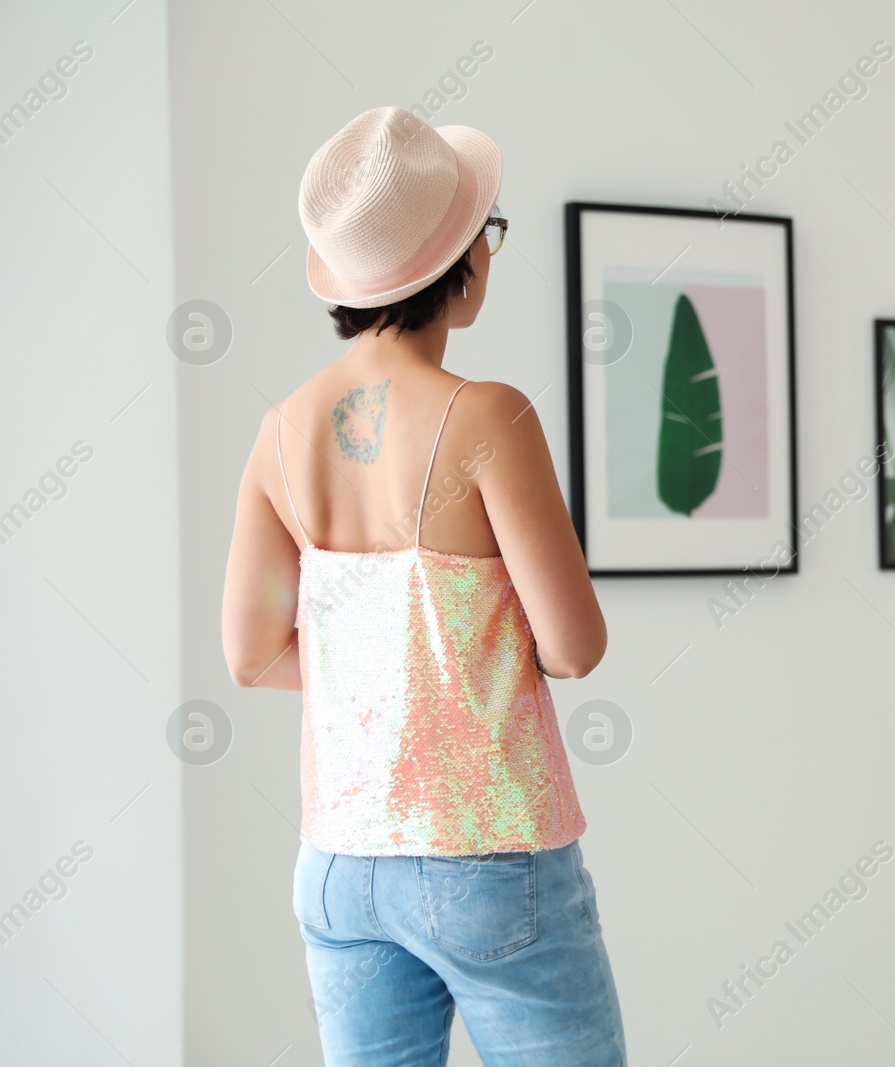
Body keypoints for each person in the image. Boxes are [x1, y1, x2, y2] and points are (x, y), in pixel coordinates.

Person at [220, 106, 625, 1066]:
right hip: (486, 852)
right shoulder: (487, 416)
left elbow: (252, 655)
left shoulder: (280, 430)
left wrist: (389, 680)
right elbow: (573, 646)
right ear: (465, 264)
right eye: (489, 231)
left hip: (340, 868)